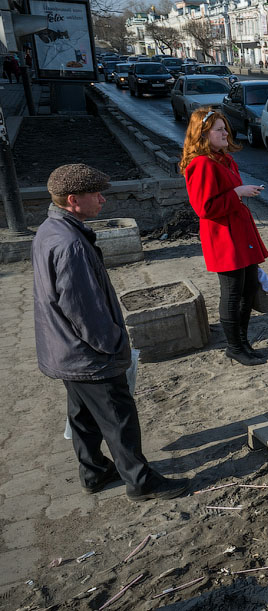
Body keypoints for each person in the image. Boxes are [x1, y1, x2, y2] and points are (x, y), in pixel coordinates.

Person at [32, 164, 189, 502]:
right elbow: (84, 311)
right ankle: (140, 481)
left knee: (83, 415)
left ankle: (94, 471)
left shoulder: (50, 229)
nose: (103, 200)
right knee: (118, 416)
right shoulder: (71, 244)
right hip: (88, 353)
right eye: (96, 195)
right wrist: (114, 345)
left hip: (63, 349)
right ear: (73, 200)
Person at [180, 108, 268, 367]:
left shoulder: (224, 159)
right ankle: (234, 347)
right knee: (232, 293)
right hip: (223, 236)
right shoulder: (201, 164)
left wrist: (242, 192)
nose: (224, 133)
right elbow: (203, 208)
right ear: (203, 133)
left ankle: (244, 343)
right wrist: (238, 192)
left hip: (240, 232)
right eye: (218, 129)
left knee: (248, 289)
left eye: (224, 128)